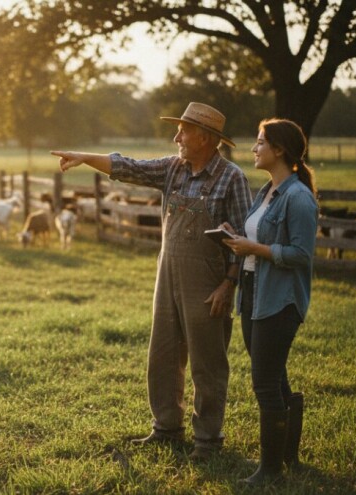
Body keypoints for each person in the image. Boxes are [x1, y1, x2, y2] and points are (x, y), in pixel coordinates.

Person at [52, 102, 252, 461]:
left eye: (184, 131)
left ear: (205, 138)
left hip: (208, 283)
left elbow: (240, 235)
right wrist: (83, 156)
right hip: (168, 274)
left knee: (208, 363)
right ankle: (167, 428)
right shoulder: (173, 168)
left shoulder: (231, 178)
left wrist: (228, 284)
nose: (177, 137)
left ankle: (207, 440)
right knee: (162, 356)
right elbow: (127, 166)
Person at [219, 118, 318, 484]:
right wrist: (234, 237)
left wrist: (255, 248)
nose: (254, 148)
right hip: (252, 294)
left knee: (264, 383)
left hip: (279, 300)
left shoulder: (299, 197)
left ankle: (270, 469)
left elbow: (301, 254)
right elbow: (258, 236)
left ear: (279, 150)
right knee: (274, 378)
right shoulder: (266, 193)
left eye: (260, 142)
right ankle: (288, 457)